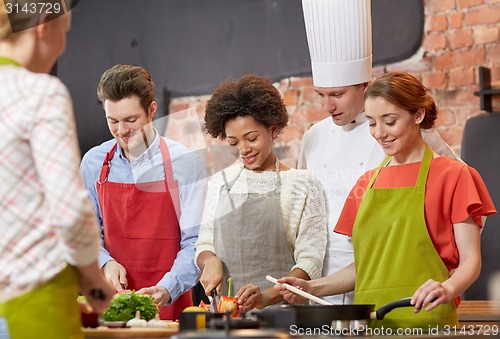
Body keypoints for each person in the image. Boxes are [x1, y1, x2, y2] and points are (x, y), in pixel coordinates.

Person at [276, 71, 496, 329]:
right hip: (371, 323)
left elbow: (471, 261)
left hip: (426, 320)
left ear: (418, 115)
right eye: (371, 123)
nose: (379, 133)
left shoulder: (455, 176)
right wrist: (310, 287)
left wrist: (447, 289)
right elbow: (365, 267)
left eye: (389, 121)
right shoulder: (366, 183)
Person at [298, 0, 461, 304]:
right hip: (325, 283)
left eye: (337, 94)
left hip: (395, 279)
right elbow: (309, 214)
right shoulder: (314, 136)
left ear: (364, 85)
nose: (327, 106)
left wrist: (443, 268)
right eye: (320, 95)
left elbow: (458, 197)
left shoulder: (406, 132)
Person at [0, 2, 114, 338]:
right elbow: (68, 208)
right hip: (34, 295)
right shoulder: (40, 93)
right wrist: (92, 277)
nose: (63, 44)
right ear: (42, 27)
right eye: (64, 32)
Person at [80, 64, 207, 320]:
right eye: (112, 121)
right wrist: (105, 262)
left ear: (151, 111)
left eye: (131, 120)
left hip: (169, 303)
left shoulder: (186, 163)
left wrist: (166, 288)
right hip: (110, 306)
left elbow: (196, 241)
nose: (122, 131)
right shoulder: (93, 163)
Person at [195, 74, 327, 312]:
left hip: (284, 317)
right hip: (227, 317)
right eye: (234, 143)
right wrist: (209, 260)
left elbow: (310, 261)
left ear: (273, 130)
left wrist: (266, 297)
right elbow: (204, 243)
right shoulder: (220, 183)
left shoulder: (301, 185)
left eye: (252, 138)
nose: (244, 149)